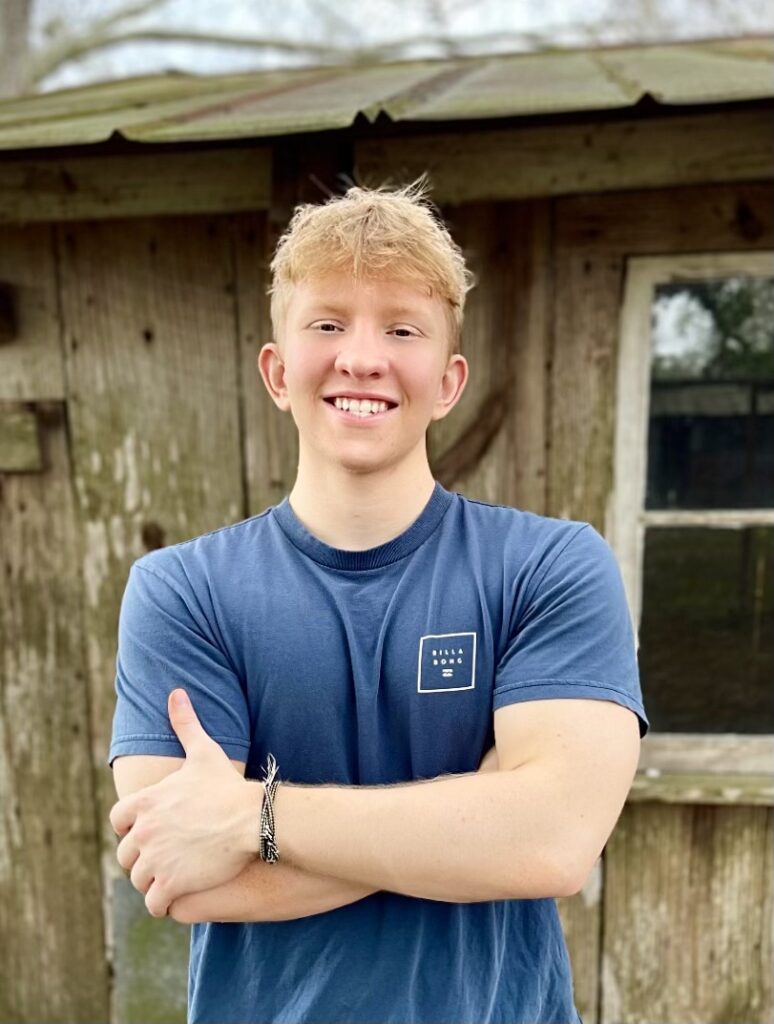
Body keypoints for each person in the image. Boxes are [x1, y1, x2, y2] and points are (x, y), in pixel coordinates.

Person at [107, 177, 649, 1024]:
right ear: (277, 371)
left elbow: (553, 844)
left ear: (449, 381)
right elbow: (177, 875)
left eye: (402, 328)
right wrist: (483, 813)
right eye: (328, 324)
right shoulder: (183, 591)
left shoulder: (548, 567)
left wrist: (253, 816)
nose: (362, 358)